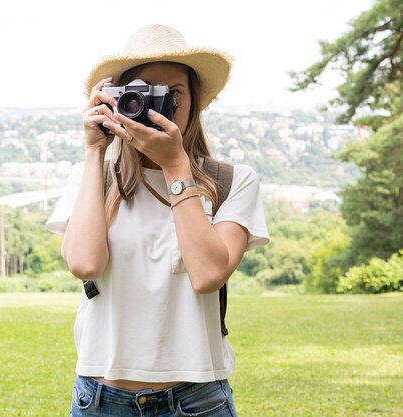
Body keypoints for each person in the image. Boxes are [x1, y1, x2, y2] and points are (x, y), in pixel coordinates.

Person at [46, 24, 269, 417]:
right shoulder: (91, 177)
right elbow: (84, 264)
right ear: (118, 101)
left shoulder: (233, 181)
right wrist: (95, 152)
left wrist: (175, 165)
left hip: (197, 398)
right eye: (142, 93)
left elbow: (207, 274)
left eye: (172, 95)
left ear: (194, 103)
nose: (154, 107)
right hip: (101, 399)